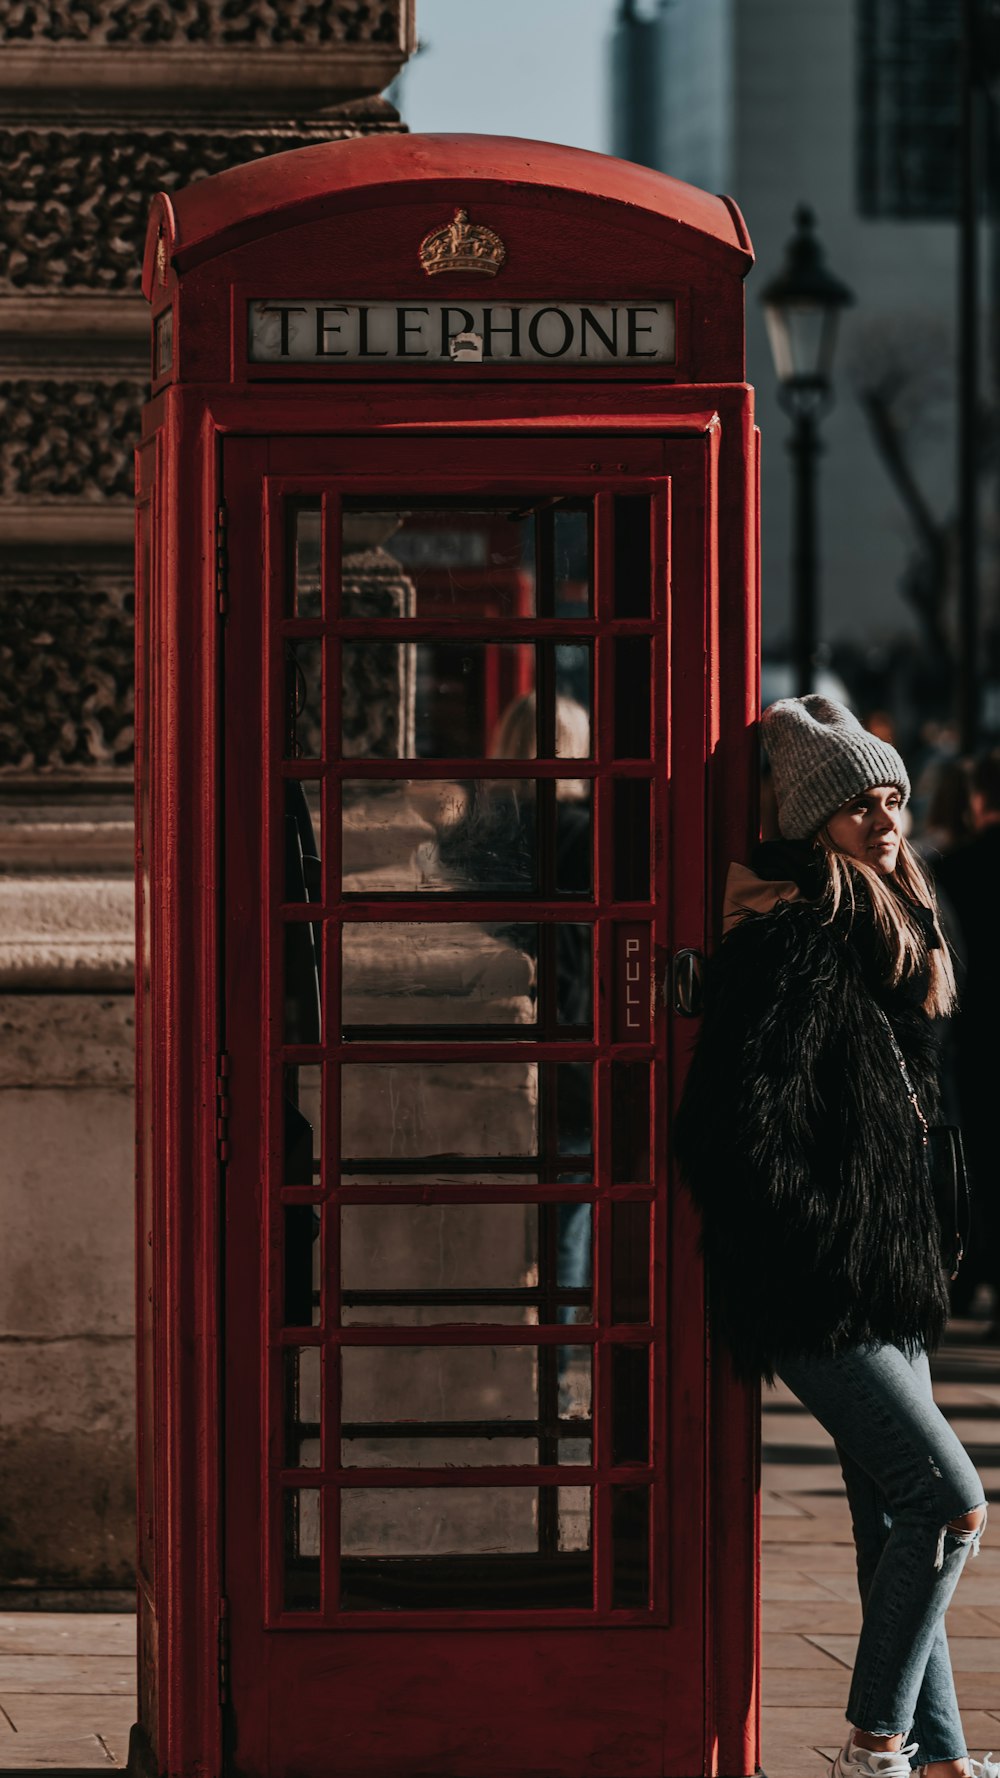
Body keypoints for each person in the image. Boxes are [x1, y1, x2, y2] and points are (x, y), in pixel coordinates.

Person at [674, 695, 993, 1778]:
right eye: (857, 803)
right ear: (812, 820)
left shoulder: (893, 935)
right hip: (821, 1285)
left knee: (886, 1515)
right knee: (948, 1503)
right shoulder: (797, 937)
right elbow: (724, 1127)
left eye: (893, 795)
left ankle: (941, 1758)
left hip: (890, 1276)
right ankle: (872, 1744)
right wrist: (817, 1239)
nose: (884, 817)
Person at [935, 751, 1000, 1330]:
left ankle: (971, 1268)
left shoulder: (951, 869)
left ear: (979, 799)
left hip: (973, 1041)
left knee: (974, 1162)